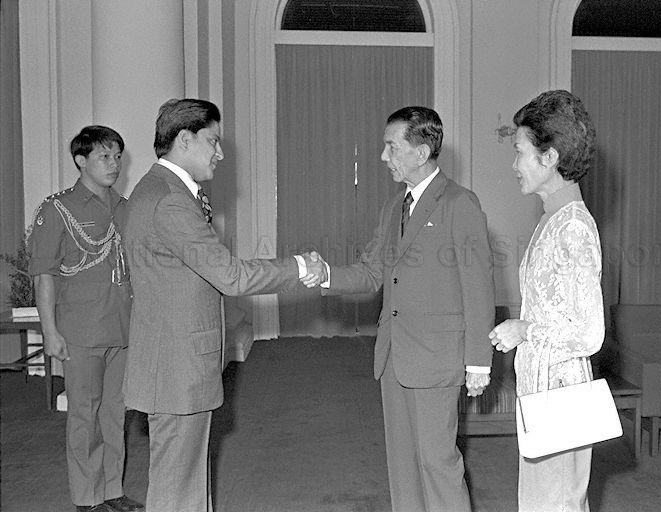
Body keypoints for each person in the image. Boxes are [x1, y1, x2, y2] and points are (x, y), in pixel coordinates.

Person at [122, 98, 323, 512]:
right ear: (184, 139)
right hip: (177, 366)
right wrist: (299, 265)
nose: (220, 152)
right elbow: (230, 276)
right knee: (177, 489)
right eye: (213, 141)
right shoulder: (170, 199)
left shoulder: (157, 189)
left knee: (186, 482)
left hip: (171, 360)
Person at [302, 106, 495, 512]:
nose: (383, 156)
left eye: (392, 147)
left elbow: (478, 286)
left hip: (437, 358)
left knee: (438, 464)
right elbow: (372, 272)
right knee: (403, 466)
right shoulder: (394, 208)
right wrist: (326, 276)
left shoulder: (460, 203)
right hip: (394, 357)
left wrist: (479, 361)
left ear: (422, 152)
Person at [488, 89, 604, 512]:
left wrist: (525, 329)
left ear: (549, 156)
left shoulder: (572, 227)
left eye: (520, 152)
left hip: (562, 397)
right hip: (541, 392)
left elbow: (590, 333)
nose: (515, 164)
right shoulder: (552, 220)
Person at [28, 126, 144, 512]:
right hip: (81, 330)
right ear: (81, 160)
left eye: (117, 157)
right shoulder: (57, 209)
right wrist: (49, 331)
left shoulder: (124, 207)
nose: (113, 165)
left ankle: (113, 490)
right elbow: (43, 275)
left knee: (116, 412)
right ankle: (87, 497)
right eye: (104, 157)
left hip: (122, 327)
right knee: (83, 414)